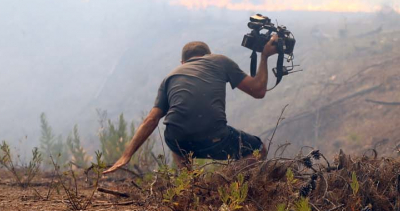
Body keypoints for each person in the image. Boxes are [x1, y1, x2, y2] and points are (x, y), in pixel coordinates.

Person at [104, 36, 278, 173]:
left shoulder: (169, 77)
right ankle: (224, 180)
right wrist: (264, 56)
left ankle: (189, 187)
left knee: (175, 135)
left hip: (178, 141)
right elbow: (258, 91)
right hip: (215, 137)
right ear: (207, 55)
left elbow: (151, 120)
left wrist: (126, 155)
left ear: (182, 62)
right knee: (258, 149)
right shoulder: (219, 61)